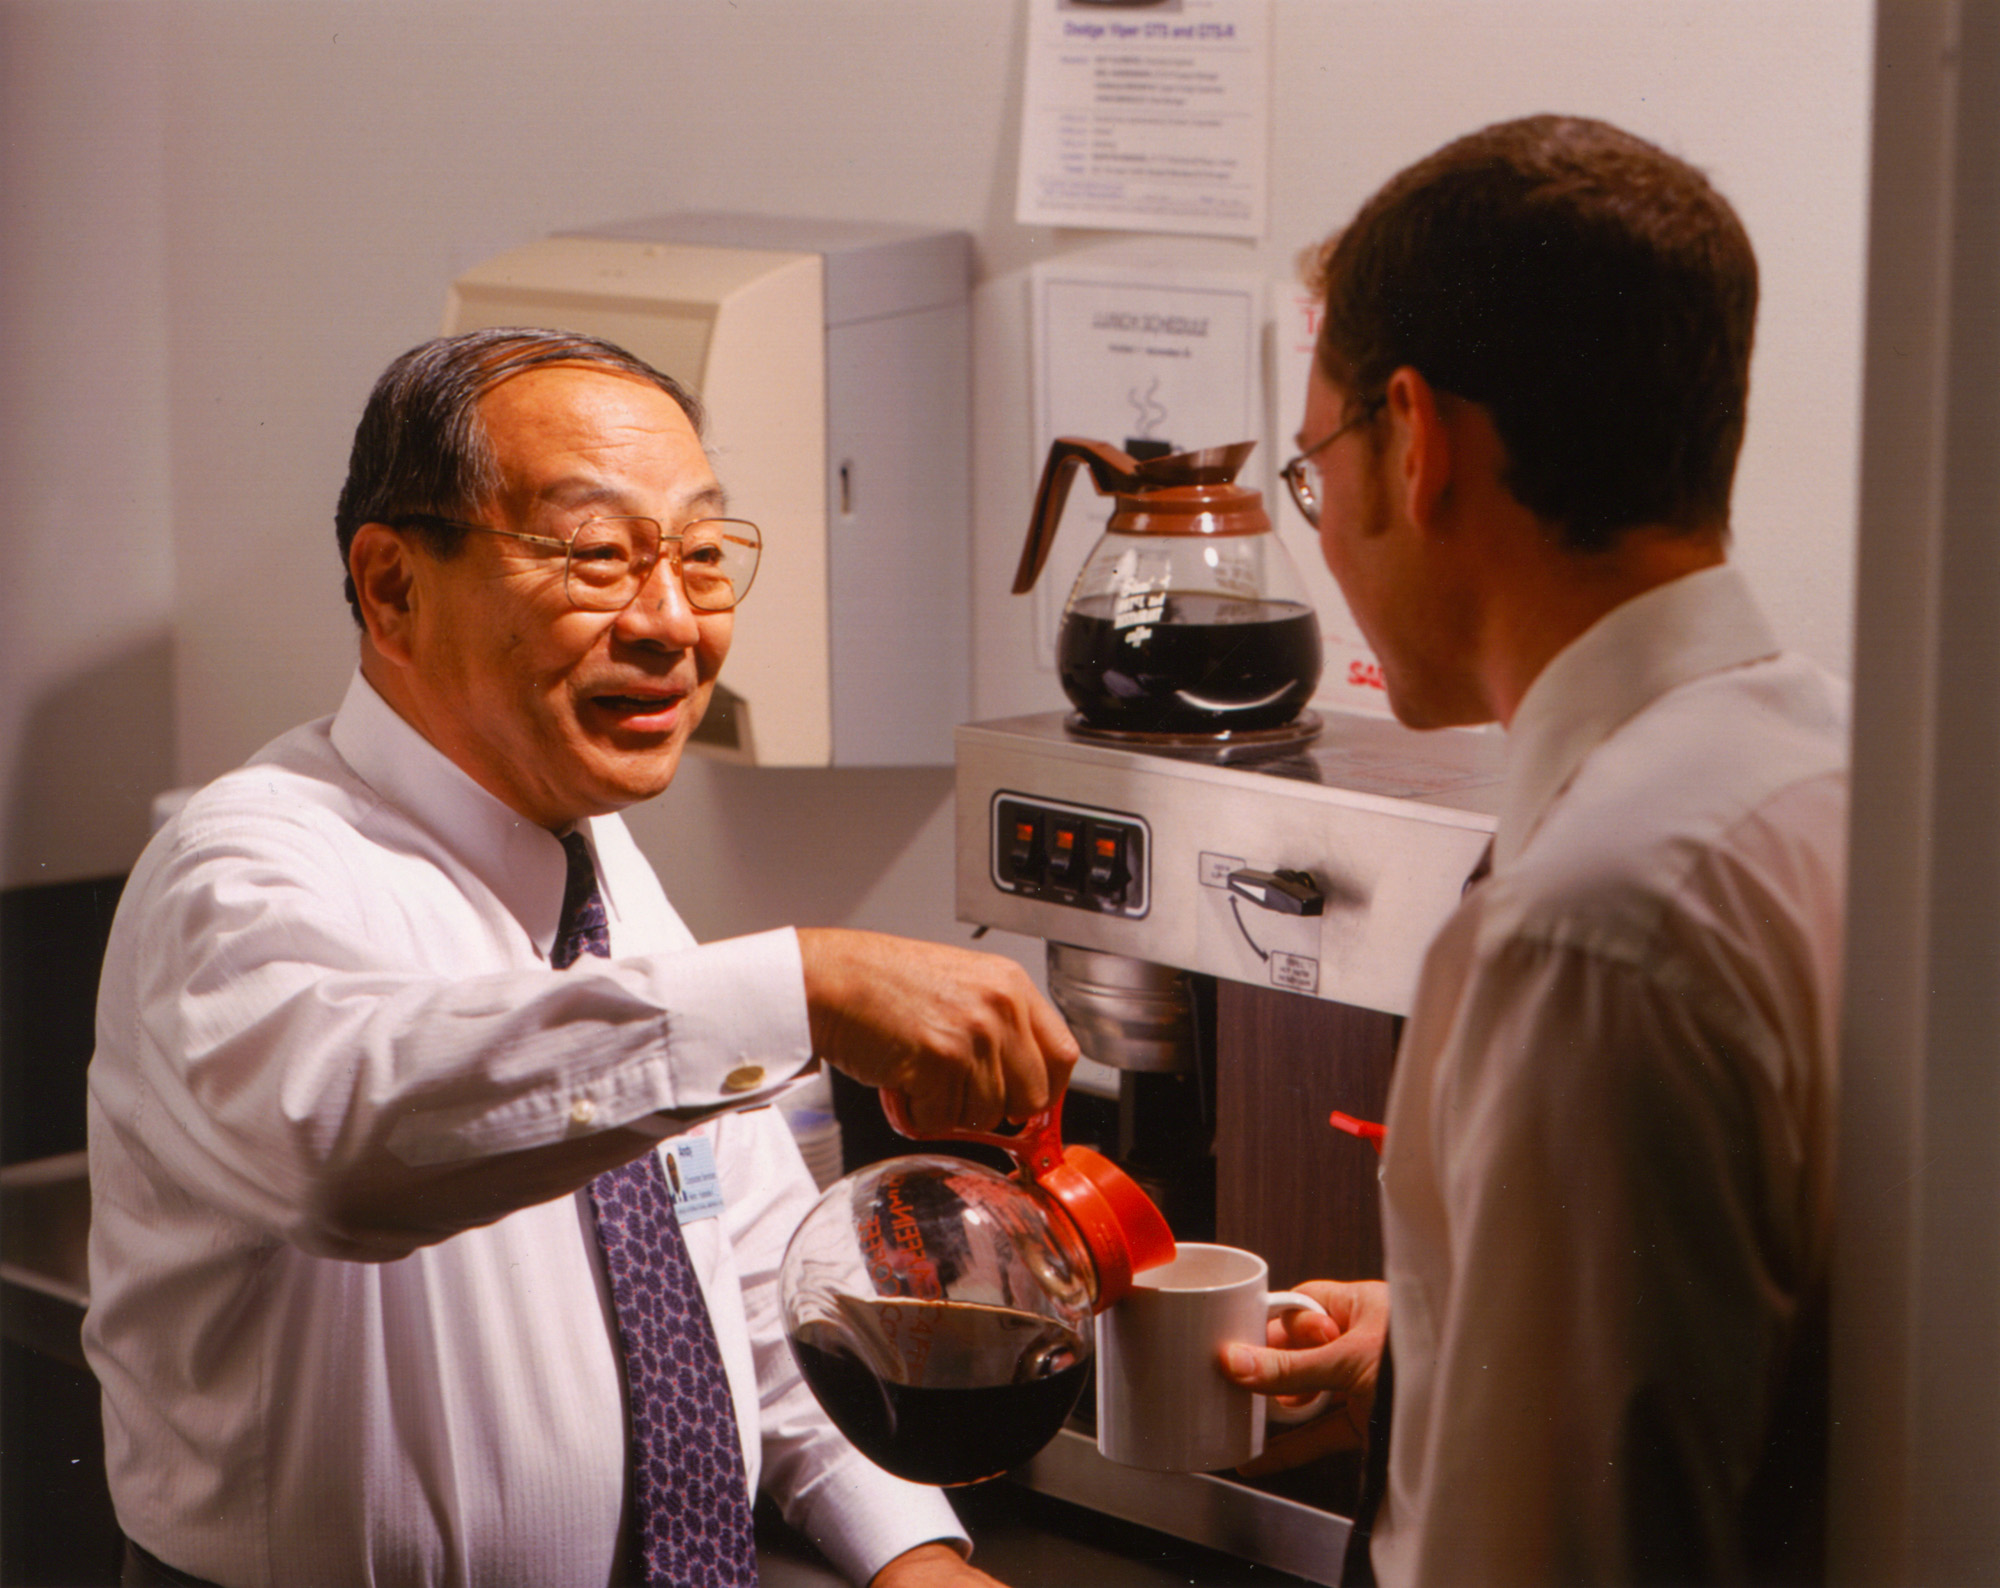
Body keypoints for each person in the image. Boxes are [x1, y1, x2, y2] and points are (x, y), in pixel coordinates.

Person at [83, 327, 1080, 1588]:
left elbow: (754, 1279)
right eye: (598, 556)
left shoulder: (597, 862)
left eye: (701, 557)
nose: (670, 623)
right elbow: (346, 1142)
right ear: (392, 587)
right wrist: (802, 984)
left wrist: (908, 1552)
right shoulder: (245, 865)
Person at [1221, 116, 1847, 1586]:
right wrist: (1441, 1345)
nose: (1327, 528)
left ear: (1420, 444)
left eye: (1319, 467)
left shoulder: (1591, 928)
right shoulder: (1833, 766)